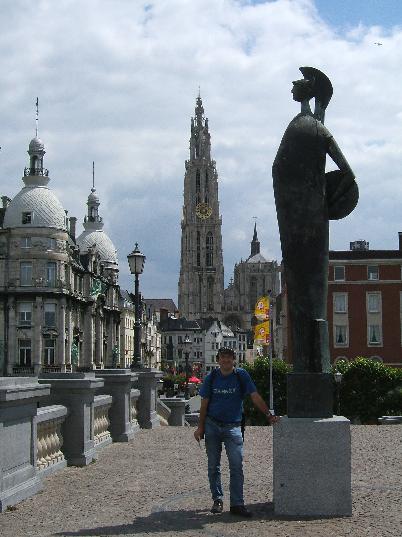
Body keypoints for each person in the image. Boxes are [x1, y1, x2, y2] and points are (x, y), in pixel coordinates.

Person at [272, 66, 358, 373]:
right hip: (303, 216)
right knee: (304, 290)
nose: (292, 87)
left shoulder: (305, 126)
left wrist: (325, 197)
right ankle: (311, 362)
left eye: (297, 84)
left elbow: (345, 172)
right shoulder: (311, 126)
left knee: (305, 289)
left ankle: (311, 363)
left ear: (306, 91)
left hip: (302, 218)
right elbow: (345, 172)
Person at [194, 347, 279, 517]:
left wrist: (268, 415)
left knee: (236, 465)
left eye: (229, 357)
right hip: (212, 424)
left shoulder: (241, 375)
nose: (226, 360)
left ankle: (237, 503)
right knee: (213, 465)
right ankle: (217, 499)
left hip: (233, 426)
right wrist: (200, 427)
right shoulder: (211, 378)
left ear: (234, 360)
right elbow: (204, 404)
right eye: (223, 357)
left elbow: (254, 396)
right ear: (218, 360)